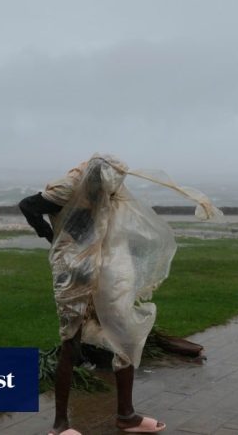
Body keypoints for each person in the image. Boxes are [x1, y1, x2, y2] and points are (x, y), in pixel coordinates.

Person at [20, 154, 169, 434]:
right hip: (73, 268)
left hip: (104, 266)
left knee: (124, 336)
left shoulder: (112, 187)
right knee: (71, 341)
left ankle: (127, 415)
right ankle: (60, 425)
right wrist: (51, 236)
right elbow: (28, 205)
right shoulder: (68, 188)